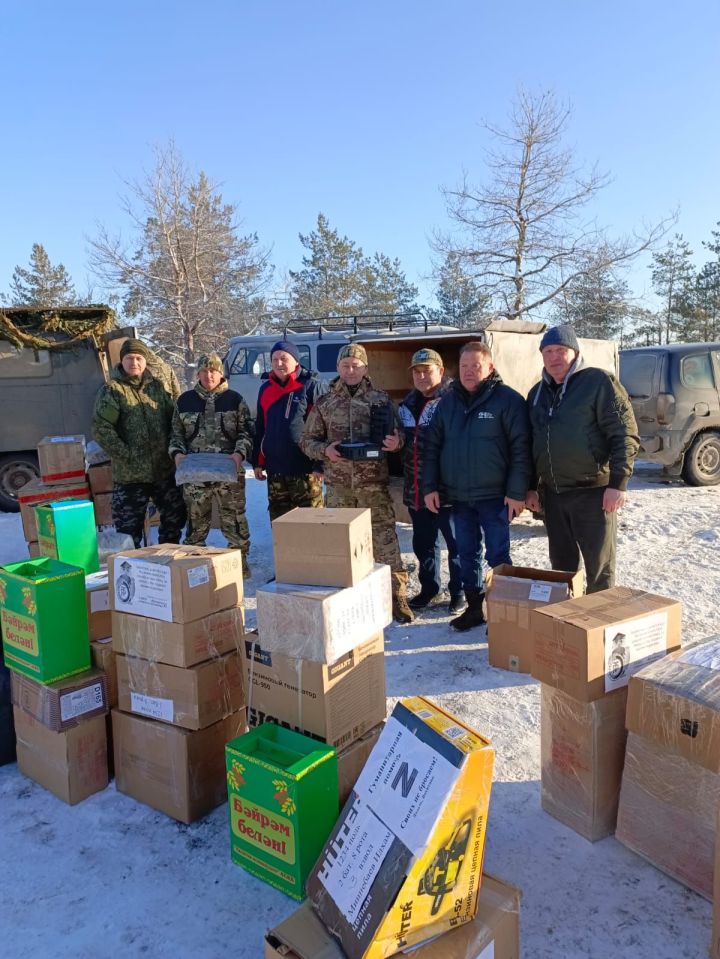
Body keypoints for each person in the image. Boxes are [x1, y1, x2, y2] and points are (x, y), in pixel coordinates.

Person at [300, 343, 414, 624]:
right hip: (339, 489)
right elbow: (306, 441)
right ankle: (345, 598)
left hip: (374, 487)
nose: (351, 370)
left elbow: (401, 436)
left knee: (385, 542)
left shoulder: (381, 400)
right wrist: (324, 450)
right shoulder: (325, 403)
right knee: (341, 546)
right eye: (345, 365)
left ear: (365, 368)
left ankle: (396, 597)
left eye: (356, 365)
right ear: (338, 368)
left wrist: (395, 442)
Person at [423, 341, 531, 632]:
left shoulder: (508, 400)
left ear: (490, 367)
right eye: (465, 366)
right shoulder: (447, 403)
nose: (469, 372)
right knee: (465, 553)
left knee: (498, 555)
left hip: (495, 496)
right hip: (458, 497)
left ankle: (501, 611)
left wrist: (516, 492)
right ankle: (475, 608)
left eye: (476, 366)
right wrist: (430, 486)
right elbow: (431, 447)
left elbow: (522, 448)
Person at [525, 324, 639, 593]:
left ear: (575, 353)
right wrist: (531, 486)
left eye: (560, 350)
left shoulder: (598, 383)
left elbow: (625, 433)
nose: (554, 357)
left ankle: (598, 626)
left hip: (594, 493)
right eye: (548, 351)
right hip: (553, 495)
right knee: (562, 569)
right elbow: (531, 445)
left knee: (599, 569)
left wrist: (618, 483)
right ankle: (569, 625)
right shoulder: (536, 394)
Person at [92, 338, 186, 548]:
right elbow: (102, 428)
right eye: (129, 358)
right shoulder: (113, 390)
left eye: (138, 358)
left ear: (145, 361)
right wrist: (126, 455)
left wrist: (174, 450)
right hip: (130, 476)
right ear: (122, 361)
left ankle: (168, 560)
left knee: (174, 519)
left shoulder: (158, 388)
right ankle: (133, 571)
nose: (134, 362)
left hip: (163, 471)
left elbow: (175, 420)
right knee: (128, 531)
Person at [169, 353, 254, 576]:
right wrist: (177, 454)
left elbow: (247, 432)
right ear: (198, 373)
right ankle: (193, 568)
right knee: (196, 522)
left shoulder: (235, 399)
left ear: (221, 373)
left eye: (213, 371)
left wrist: (239, 455)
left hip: (229, 471)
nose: (209, 375)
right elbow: (176, 434)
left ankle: (239, 564)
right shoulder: (185, 400)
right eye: (204, 371)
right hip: (195, 474)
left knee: (234, 519)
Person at [398, 348, 465, 614]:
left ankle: (459, 591)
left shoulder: (453, 400)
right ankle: (430, 588)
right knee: (423, 542)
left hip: (446, 489)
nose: (422, 376)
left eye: (428, 370)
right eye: (417, 371)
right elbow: (406, 441)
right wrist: (396, 442)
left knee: (456, 544)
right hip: (415, 488)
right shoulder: (406, 404)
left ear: (441, 371)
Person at [252, 339, 324, 521]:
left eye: (284, 358)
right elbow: (261, 426)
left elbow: (323, 428)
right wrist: (257, 461)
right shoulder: (265, 389)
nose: (279, 363)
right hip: (276, 469)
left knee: (312, 523)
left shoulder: (310, 386)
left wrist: (319, 463)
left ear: (296, 361)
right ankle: (285, 551)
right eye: (274, 359)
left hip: (305, 469)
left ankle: (315, 551)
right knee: (280, 523)